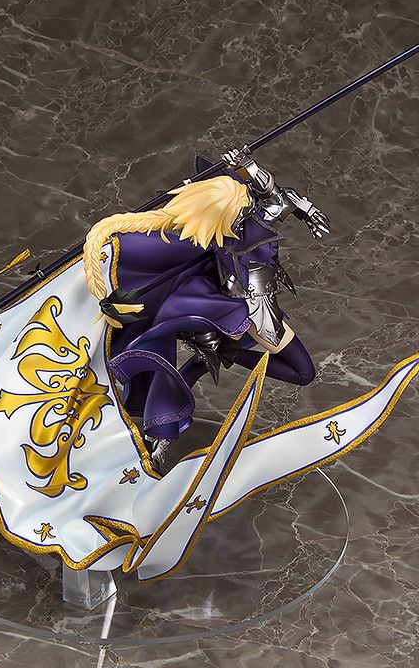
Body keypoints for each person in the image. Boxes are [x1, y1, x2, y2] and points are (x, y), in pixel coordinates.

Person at [82, 150, 330, 447]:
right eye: (242, 209)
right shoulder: (224, 234)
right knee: (303, 373)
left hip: (254, 307)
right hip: (245, 313)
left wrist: (246, 166)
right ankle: (217, 362)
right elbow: (275, 198)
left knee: (301, 372)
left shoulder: (239, 222)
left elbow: (278, 196)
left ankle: (218, 356)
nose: (249, 208)